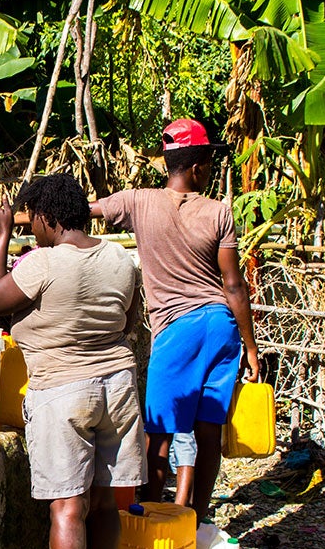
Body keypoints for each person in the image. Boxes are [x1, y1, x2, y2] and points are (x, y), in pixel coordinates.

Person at [0, 174, 146, 549]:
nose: (33, 234)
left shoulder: (45, 262)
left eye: (34, 224)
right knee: (104, 503)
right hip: (118, 386)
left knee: (67, 507)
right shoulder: (121, 258)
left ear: (51, 218)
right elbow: (131, 322)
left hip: (63, 390)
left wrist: (4, 232)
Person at [91, 118, 260, 524]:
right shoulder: (219, 212)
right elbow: (234, 286)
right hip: (221, 327)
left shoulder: (137, 201)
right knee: (207, 434)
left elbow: (83, 211)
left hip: (177, 331)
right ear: (199, 168)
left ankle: (148, 522)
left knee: (159, 438)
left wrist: (15, 222)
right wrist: (251, 346)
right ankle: (196, 522)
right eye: (210, 164)